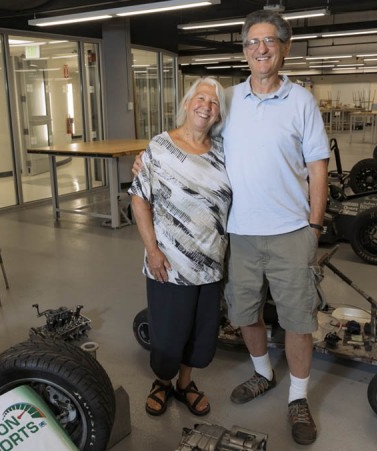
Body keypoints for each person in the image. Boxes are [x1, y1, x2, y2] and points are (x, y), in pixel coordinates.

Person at [132, 9, 329, 445]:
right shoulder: (231, 100)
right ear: (244, 51)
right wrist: (147, 159)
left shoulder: (302, 102)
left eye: (269, 42)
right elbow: (196, 140)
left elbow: (318, 167)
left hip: (291, 230)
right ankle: (263, 374)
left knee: (297, 320)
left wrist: (314, 226)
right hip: (237, 234)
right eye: (252, 43)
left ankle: (298, 398)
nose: (260, 49)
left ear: (284, 47)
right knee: (244, 314)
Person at [128, 77, 232, 418]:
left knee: (201, 338)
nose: (206, 105)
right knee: (168, 336)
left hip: (211, 263)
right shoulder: (159, 147)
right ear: (188, 103)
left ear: (218, 114)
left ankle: (185, 383)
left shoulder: (222, 153)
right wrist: (153, 251)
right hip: (169, 263)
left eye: (214, 102)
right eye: (200, 98)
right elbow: (139, 200)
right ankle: (162, 382)